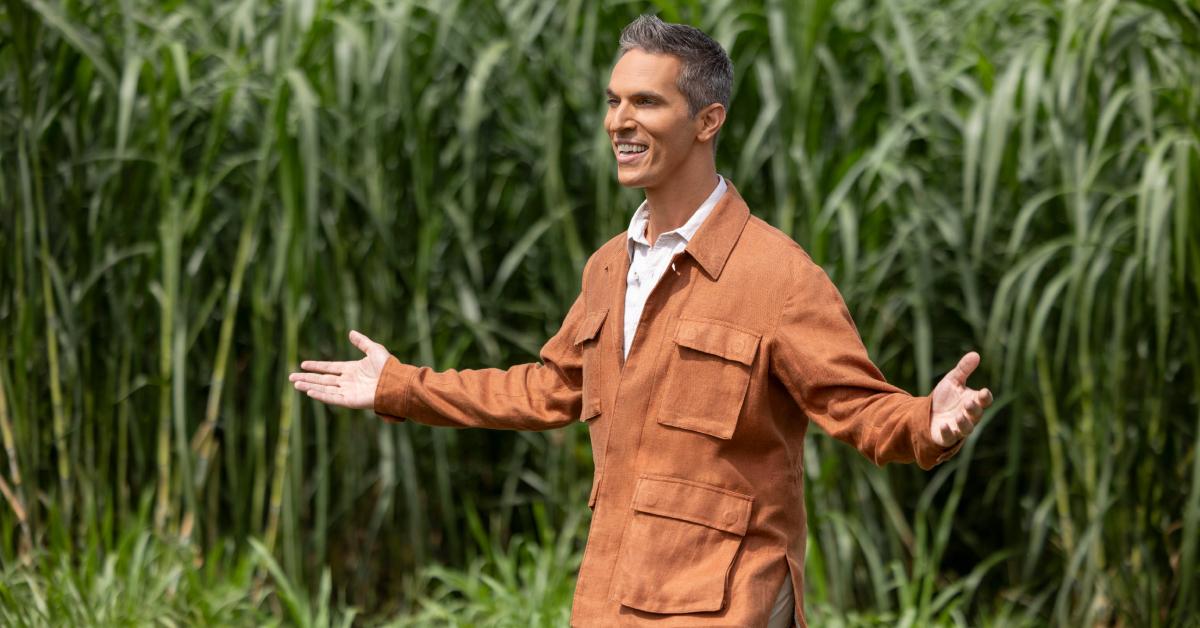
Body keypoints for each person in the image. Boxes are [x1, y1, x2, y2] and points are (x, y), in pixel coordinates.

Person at [289, 14, 994, 627]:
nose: (618, 121)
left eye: (646, 103)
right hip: (611, 597)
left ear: (707, 121)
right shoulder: (607, 269)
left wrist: (925, 424)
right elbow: (544, 389)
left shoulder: (778, 277)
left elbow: (858, 407)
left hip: (726, 602)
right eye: (613, 101)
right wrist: (399, 386)